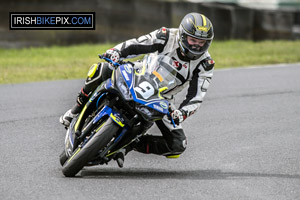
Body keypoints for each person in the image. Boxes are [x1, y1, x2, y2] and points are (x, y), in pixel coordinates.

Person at [60, 12, 215, 167]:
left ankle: (130, 144)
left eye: (202, 42)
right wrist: (116, 51)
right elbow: (137, 43)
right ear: (182, 35)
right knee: (103, 68)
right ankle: (75, 109)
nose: (196, 45)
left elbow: (196, 97)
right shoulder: (167, 36)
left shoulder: (205, 64)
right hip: (139, 73)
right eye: (193, 40)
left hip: (162, 98)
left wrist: (181, 114)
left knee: (178, 145)